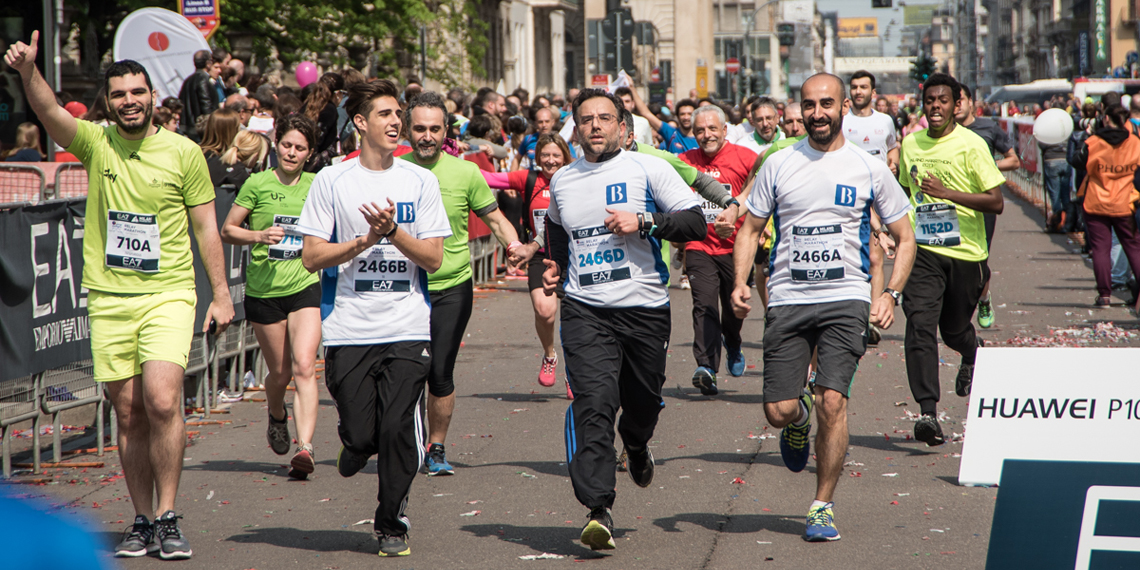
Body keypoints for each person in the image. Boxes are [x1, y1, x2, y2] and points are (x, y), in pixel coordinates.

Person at [6, 33, 235, 560]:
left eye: (138, 91)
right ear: (109, 102)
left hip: (169, 292)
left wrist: (220, 295)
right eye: (120, 94)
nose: (129, 100)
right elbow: (49, 112)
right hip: (110, 296)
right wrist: (28, 73)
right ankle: (142, 519)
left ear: (152, 95)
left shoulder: (183, 153)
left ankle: (169, 515)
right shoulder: (96, 142)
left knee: (161, 398)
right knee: (127, 410)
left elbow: (206, 229)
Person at [730, 73, 917, 543]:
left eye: (826, 103)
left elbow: (905, 236)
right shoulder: (779, 164)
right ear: (800, 109)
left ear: (842, 109)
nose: (817, 113)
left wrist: (889, 293)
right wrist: (739, 283)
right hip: (789, 299)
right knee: (778, 409)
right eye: (809, 105)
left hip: (846, 300)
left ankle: (821, 506)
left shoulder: (867, 167)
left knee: (834, 401)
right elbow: (751, 229)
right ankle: (796, 423)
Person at [541, 88, 707, 551]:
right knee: (593, 402)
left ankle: (635, 444)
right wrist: (552, 265)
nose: (595, 126)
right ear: (575, 128)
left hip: (644, 309)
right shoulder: (564, 180)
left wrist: (647, 222)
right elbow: (555, 227)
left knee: (642, 404)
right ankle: (598, 508)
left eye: (605, 118)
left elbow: (695, 223)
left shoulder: (648, 168)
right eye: (587, 119)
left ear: (621, 127)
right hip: (585, 308)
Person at [297, 80, 449, 557]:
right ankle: (354, 444)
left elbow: (435, 259)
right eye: (384, 113)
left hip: (407, 327)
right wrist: (361, 243)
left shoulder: (420, 181)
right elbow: (310, 257)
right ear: (360, 122)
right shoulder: (331, 181)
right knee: (363, 433)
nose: (395, 121)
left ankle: (391, 523)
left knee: (397, 428)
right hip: (348, 328)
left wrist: (393, 233)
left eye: (397, 113)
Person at [400, 92, 529, 477]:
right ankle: (394, 440)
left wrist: (516, 245)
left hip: (451, 285)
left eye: (434, 129)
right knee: (403, 374)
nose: (426, 136)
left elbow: (494, 220)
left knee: (439, 371)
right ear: (407, 130)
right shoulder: (393, 170)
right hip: (402, 288)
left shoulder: (466, 173)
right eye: (419, 129)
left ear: (446, 132)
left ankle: (435, 447)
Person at [897, 74, 1005, 445]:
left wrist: (948, 193)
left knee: (954, 330)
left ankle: (972, 354)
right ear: (922, 104)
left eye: (944, 100)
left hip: (966, 254)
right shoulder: (911, 144)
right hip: (924, 251)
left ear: (956, 104)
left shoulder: (972, 145)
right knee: (920, 324)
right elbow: (904, 191)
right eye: (930, 100)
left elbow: (996, 202)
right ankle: (928, 411)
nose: (936, 107)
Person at [222, 114, 321, 480]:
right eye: (287, 145)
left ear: (309, 154)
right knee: (278, 373)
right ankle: (276, 413)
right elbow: (228, 229)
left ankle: (305, 447)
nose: (291, 153)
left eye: (300, 148)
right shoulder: (258, 183)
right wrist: (259, 236)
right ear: (276, 144)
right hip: (264, 290)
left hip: (305, 285)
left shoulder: (317, 184)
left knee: (304, 367)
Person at [482, 133, 572, 391]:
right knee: (545, 312)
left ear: (565, 156)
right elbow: (488, 178)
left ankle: (575, 371)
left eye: (556, 155)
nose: (551, 161)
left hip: (575, 255)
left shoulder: (576, 178)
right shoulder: (529, 179)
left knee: (576, 317)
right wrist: (457, 156)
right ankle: (549, 355)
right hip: (540, 254)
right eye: (545, 155)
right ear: (536, 157)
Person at [679, 105, 755, 395]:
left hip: (737, 248)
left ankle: (733, 341)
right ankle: (707, 368)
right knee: (705, 304)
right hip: (700, 245)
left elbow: (763, 192)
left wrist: (762, 230)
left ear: (725, 130)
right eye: (699, 130)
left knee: (734, 308)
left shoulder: (745, 158)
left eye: (712, 129)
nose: (706, 135)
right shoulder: (684, 161)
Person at [955, 84, 1020, 329]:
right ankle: (958, 314)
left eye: (961, 99)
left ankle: (983, 298)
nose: (957, 104)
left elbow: (1014, 161)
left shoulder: (988, 128)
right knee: (953, 260)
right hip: (951, 203)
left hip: (982, 204)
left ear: (971, 102)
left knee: (978, 260)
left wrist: (986, 165)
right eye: (953, 100)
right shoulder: (944, 132)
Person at [1071, 103, 1140, 309]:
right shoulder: (1135, 143)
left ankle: (1104, 295)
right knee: (1133, 247)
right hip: (1125, 202)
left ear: (1106, 119)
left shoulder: (1094, 142)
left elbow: (1077, 161)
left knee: (1101, 248)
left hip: (1096, 201)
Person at [628, 86, 698, 153]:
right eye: (682, 114)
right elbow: (646, 113)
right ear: (677, 116)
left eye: (689, 114)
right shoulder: (671, 133)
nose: (686, 117)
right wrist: (632, 88)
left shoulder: (701, 137)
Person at [178, 49, 219, 142]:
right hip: (200, 130)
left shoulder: (188, 80)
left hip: (189, 127)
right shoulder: (203, 80)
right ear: (208, 63)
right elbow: (206, 105)